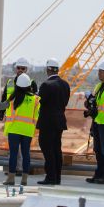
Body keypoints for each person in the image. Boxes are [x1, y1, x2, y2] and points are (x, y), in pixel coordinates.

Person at [1, 74, 40, 188]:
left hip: (14, 129)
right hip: (28, 130)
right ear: (29, 86)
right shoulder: (35, 99)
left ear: (17, 86)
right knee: (26, 154)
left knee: (13, 154)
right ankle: (24, 180)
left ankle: (11, 178)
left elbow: (3, 107)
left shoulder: (12, 98)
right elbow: (37, 114)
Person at [36, 58, 70, 186]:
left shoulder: (46, 85)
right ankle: (57, 177)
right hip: (60, 121)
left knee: (47, 149)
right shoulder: (65, 84)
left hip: (47, 122)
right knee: (57, 149)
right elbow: (65, 102)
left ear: (48, 69)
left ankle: (50, 177)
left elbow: (40, 102)